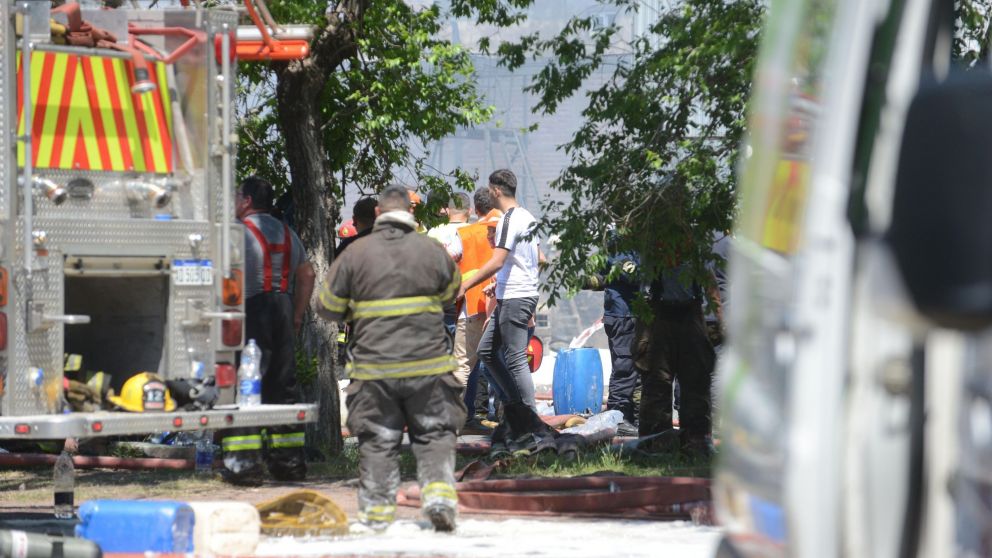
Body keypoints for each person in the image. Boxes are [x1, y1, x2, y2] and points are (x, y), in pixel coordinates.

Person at [316, 184, 465, 532]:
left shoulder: (355, 253)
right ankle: (440, 499)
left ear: (379, 215)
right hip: (427, 365)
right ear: (410, 215)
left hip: (374, 367)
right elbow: (451, 294)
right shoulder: (431, 250)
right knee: (434, 433)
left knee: (379, 438)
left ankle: (377, 513)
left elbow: (327, 307)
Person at [221, 176, 316, 485]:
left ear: (247, 201)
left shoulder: (237, 234)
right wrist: (298, 315)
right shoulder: (288, 232)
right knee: (282, 388)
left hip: (251, 312)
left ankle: (243, 465)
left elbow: (225, 278)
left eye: (237, 197)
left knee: (248, 386)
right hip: (284, 311)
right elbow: (308, 273)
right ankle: (288, 464)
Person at [458, 169, 555, 453]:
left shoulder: (509, 220)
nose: (488, 195)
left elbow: (498, 260)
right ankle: (516, 408)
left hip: (516, 298)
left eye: (489, 190)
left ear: (496, 191)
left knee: (514, 358)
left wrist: (466, 284)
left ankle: (530, 422)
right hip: (512, 294)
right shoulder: (527, 217)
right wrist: (499, 285)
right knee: (487, 351)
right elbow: (538, 259)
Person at [634, 259, 717, 456]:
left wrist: (717, 319)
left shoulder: (696, 246)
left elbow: (710, 282)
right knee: (656, 385)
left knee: (696, 384)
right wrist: (642, 330)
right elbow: (642, 291)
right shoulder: (652, 242)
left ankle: (696, 444)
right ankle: (655, 445)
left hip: (691, 314)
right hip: (658, 315)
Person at [583, 236, 640, 436]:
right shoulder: (623, 242)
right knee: (625, 368)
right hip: (624, 315)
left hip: (632, 313)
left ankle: (629, 417)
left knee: (635, 370)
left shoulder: (631, 240)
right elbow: (632, 273)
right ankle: (618, 416)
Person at [457, 189, 502, 425]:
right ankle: (508, 419)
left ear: (475, 210)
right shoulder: (510, 227)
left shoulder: (464, 233)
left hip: (473, 303)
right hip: (502, 304)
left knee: (463, 363)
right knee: (502, 362)